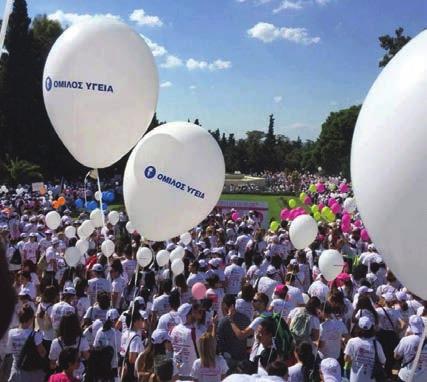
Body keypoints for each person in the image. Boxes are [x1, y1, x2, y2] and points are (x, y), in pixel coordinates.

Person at [7, 304, 46, 382]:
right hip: (32, 371)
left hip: (16, 369)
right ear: (31, 319)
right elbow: (42, 353)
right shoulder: (35, 335)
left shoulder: (11, 333)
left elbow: (8, 351)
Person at [344, 316, 386, 382]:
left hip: (355, 378)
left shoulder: (352, 342)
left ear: (357, 328)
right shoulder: (376, 344)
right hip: (370, 379)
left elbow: (346, 359)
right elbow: (383, 361)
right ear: (371, 328)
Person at [49, 313, 90, 380]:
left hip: (62, 375)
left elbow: (52, 365)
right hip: (80, 374)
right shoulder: (82, 340)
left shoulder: (56, 343)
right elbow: (87, 357)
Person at [217, 294, 250, 369]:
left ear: (224, 305)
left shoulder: (223, 322)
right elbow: (250, 338)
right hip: (243, 360)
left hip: (228, 361)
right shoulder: (246, 319)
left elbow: (219, 342)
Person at [170, 302, 202, 379]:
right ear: (188, 315)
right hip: (191, 374)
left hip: (177, 372)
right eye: (193, 312)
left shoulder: (174, 329)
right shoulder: (194, 332)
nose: (195, 313)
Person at [394, 315, 427, 382]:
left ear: (410, 326)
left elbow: (396, 356)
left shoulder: (406, 340)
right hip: (423, 378)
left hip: (406, 376)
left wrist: (405, 336)